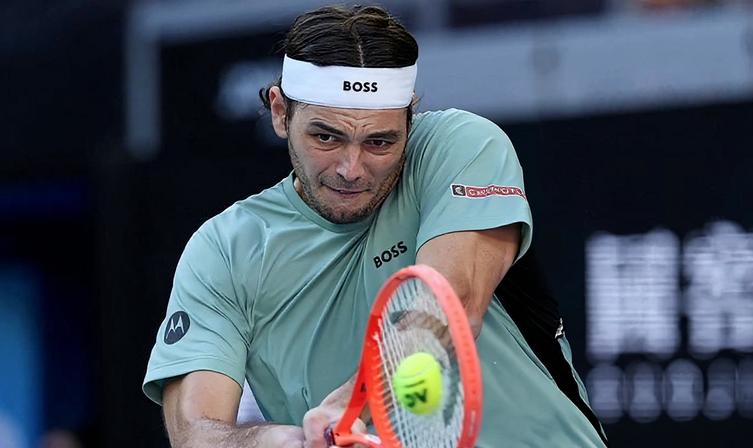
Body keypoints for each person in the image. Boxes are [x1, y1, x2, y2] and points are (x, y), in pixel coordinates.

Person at [143, 5, 607, 447]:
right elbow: (196, 432)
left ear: (411, 115)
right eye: (326, 136)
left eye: (380, 141)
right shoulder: (225, 247)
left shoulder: (462, 145)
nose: (351, 168)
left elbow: (453, 302)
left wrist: (349, 407)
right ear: (281, 112)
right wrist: (285, 440)